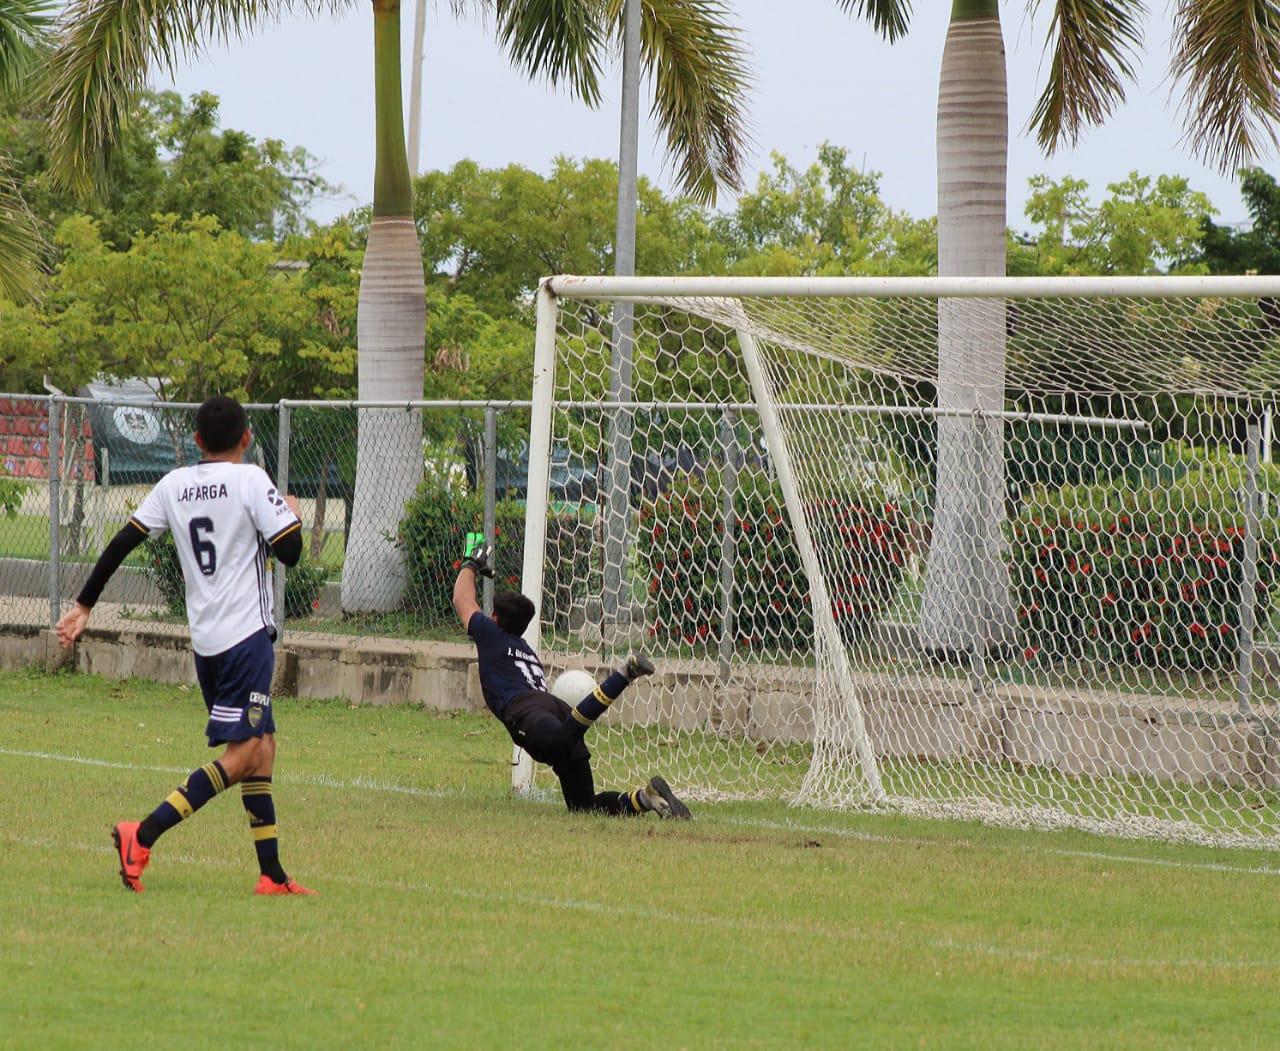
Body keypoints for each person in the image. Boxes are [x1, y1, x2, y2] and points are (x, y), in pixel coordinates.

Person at [55, 395, 315, 895]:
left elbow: (121, 543)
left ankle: (272, 874)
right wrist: (293, 516)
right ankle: (143, 833)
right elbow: (292, 553)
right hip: (247, 639)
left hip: (208, 643)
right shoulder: (252, 479)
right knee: (243, 755)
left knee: (263, 750)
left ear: (196, 441)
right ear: (247, 438)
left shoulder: (173, 485)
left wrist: (85, 605)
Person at [452, 542, 691, 819]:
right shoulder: (526, 651)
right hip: (554, 707)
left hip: (527, 712)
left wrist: (471, 563)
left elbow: (462, 598)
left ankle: (624, 674)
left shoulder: (490, 634)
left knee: (563, 739)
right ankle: (648, 799)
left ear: (494, 618)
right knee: (584, 806)